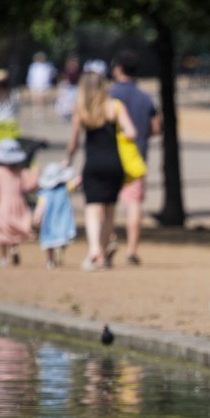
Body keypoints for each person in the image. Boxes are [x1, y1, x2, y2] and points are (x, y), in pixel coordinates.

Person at [64, 68, 138, 271]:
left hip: (93, 164)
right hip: (114, 164)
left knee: (92, 209)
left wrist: (68, 160)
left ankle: (95, 251)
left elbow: (74, 143)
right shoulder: (114, 106)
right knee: (109, 212)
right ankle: (103, 255)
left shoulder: (81, 110)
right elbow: (132, 132)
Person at [109, 49, 161, 266]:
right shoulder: (145, 97)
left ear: (118, 69)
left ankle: (109, 239)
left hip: (110, 156)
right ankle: (131, 250)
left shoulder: (110, 95)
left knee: (107, 204)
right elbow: (156, 127)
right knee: (134, 204)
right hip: (137, 158)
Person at [0, 138, 38, 267]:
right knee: (14, 231)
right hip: (19, 205)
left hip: (3, 207)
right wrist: (35, 173)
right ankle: (14, 248)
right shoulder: (21, 172)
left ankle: (3, 258)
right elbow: (29, 186)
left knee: (2, 232)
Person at [33, 162, 77, 270]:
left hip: (48, 222)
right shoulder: (64, 189)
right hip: (63, 221)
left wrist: (37, 217)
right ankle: (61, 250)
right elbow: (77, 181)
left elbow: (40, 208)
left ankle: (50, 261)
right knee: (64, 238)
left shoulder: (44, 193)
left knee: (48, 243)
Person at [26, 52, 56, 119]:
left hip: (44, 85)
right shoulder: (33, 66)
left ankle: (41, 112)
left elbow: (52, 74)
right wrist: (30, 84)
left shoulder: (47, 66)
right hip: (35, 85)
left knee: (42, 100)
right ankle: (37, 112)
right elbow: (30, 76)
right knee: (36, 100)